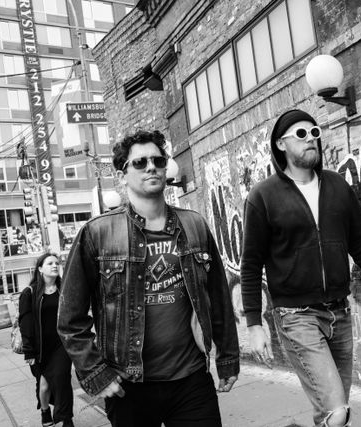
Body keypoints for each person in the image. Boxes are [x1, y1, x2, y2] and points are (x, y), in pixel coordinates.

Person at [58, 130, 239, 427]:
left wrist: (228, 357)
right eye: (140, 163)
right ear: (122, 174)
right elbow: (70, 318)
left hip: (192, 380)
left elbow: (218, 298)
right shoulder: (97, 233)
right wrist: (95, 374)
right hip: (129, 387)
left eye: (158, 160)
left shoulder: (194, 225)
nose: (151, 167)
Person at [241, 109, 361, 427]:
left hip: (339, 314)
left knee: (333, 411)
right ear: (281, 144)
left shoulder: (336, 186)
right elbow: (250, 264)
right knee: (336, 411)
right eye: (301, 134)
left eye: (314, 133)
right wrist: (254, 324)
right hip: (296, 315)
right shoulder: (263, 196)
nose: (311, 140)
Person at [19, 252, 74, 427]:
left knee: (62, 379)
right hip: (40, 348)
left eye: (57, 263)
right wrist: (29, 350)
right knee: (44, 387)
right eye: (49, 263)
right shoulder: (30, 292)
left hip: (61, 345)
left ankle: (66, 419)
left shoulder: (64, 289)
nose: (54, 265)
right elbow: (25, 323)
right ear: (40, 269)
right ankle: (45, 412)